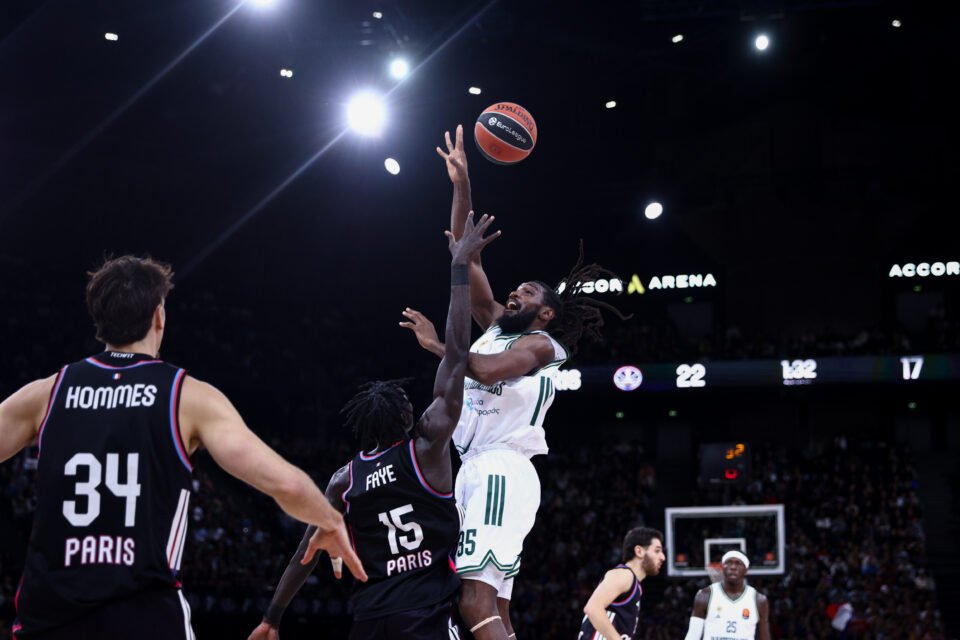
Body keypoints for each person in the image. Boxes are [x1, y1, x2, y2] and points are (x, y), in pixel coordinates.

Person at [0, 255, 365, 639]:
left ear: (98, 319)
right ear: (159, 316)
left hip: (48, 619)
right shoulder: (186, 396)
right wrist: (330, 520)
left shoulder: (47, 393)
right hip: (146, 620)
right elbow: (286, 485)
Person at [401, 125, 628, 640]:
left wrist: (438, 346)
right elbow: (467, 255)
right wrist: (462, 183)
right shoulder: (495, 329)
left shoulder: (541, 346)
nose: (515, 293)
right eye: (516, 288)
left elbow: (483, 371)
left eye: (527, 293)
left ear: (545, 313)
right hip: (475, 468)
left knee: (473, 601)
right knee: (496, 609)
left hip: (501, 468)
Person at [247, 212, 500, 640]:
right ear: (406, 418)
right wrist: (459, 266)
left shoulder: (344, 480)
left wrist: (272, 617)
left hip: (369, 621)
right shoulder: (426, 448)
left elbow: (306, 553)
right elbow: (458, 355)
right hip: (423, 615)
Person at [577, 527, 665, 640]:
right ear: (639, 551)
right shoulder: (624, 575)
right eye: (657, 551)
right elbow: (593, 608)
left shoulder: (635, 585)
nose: (663, 557)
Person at [683, 551, 771, 640]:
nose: (733, 567)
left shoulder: (759, 600)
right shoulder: (705, 595)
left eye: (738, 563)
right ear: (722, 568)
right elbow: (693, 636)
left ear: (746, 570)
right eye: (728, 563)